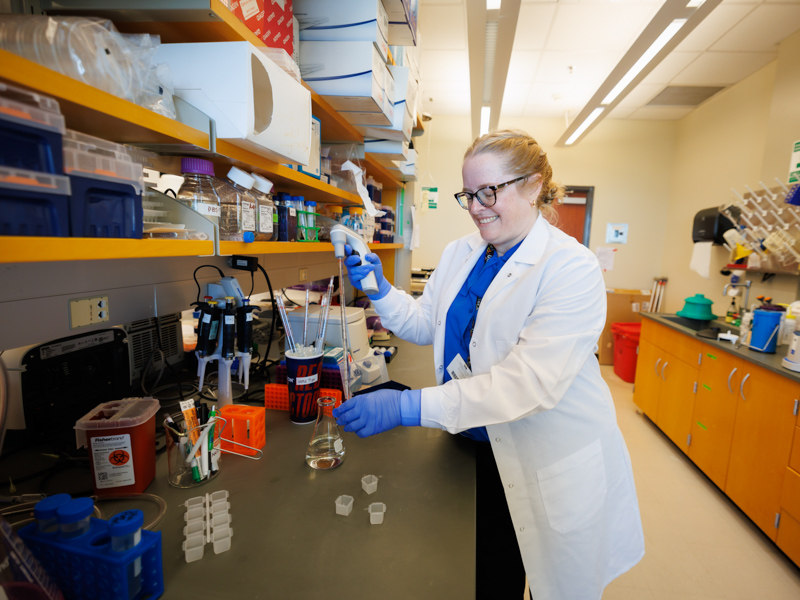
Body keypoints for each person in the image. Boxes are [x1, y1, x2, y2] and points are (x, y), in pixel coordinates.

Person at [333, 129, 644, 599]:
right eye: (469, 194)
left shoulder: (571, 268)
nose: (477, 206)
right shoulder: (463, 252)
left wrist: (406, 408)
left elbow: (525, 386)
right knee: (485, 573)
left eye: (489, 191)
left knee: (547, 578)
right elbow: (425, 325)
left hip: (543, 451)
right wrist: (380, 289)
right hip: (475, 442)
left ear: (534, 185)